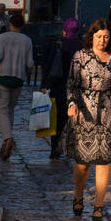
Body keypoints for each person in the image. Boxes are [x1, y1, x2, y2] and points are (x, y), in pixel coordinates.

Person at [65, 19, 111, 220]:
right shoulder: (80, 56)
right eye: (99, 36)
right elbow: (71, 84)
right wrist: (71, 103)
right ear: (91, 37)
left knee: (104, 160)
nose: (103, 40)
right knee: (83, 163)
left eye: (106, 36)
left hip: (107, 114)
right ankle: (78, 197)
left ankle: (99, 205)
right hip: (84, 114)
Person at [45, 18, 84, 159]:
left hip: (59, 87)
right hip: (76, 88)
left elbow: (51, 66)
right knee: (72, 120)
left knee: (57, 119)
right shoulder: (82, 46)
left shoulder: (60, 44)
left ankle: (55, 147)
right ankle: (68, 146)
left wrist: (45, 85)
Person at [0, 12, 35, 160]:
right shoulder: (27, 40)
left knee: (1, 110)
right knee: (11, 110)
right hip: (19, 78)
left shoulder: (2, 37)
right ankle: (6, 140)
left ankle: (7, 139)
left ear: (10, 23)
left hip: (3, 77)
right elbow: (29, 63)